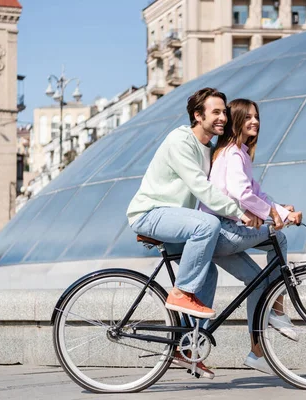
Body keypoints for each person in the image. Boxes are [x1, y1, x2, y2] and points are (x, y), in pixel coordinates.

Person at [127, 87, 261, 379]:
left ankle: (189, 347)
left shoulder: (211, 150)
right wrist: (240, 213)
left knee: (208, 272)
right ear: (198, 116)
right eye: (216, 112)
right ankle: (180, 293)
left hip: (180, 223)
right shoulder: (181, 140)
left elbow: (226, 189)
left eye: (224, 111)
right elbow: (202, 188)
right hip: (151, 214)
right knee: (207, 226)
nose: (223, 117)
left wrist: (266, 208)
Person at [199, 98, 303, 374]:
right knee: (277, 239)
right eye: (248, 117)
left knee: (256, 282)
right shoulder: (233, 153)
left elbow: (256, 193)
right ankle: (278, 311)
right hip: (221, 230)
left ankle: (257, 352)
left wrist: (280, 210)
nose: (254, 121)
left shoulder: (238, 153)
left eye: (256, 117)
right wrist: (274, 214)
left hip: (222, 232)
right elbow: (241, 193)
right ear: (236, 121)